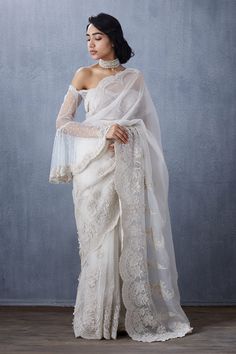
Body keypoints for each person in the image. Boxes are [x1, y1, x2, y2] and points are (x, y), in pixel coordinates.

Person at [49, 12, 193, 342]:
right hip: (93, 170)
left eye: (97, 37)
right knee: (97, 243)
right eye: (87, 38)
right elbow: (63, 121)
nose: (91, 44)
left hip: (128, 167)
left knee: (128, 240)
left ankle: (126, 317)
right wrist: (104, 130)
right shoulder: (83, 74)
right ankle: (97, 320)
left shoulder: (135, 78)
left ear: (113, 38)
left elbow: (146, 127)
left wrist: (127, 136)